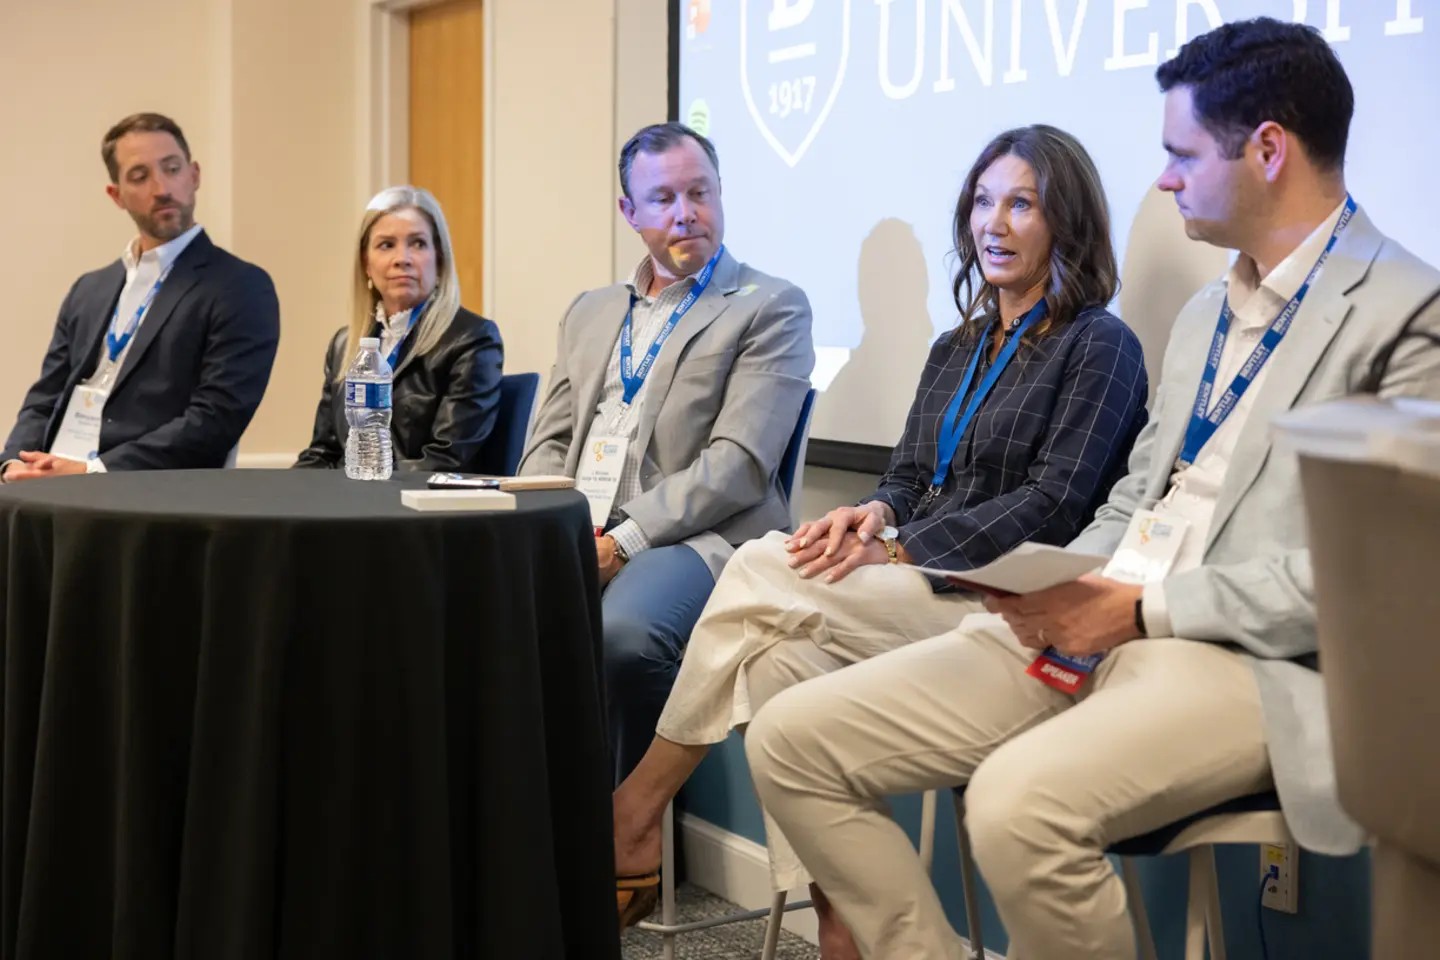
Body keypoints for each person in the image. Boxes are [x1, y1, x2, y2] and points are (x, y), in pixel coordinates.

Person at [743, 18, 1440, 960]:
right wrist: (1053, 583)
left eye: (1179, 153)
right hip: (1101, 615)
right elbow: (1137, 500)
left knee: (1014, 806)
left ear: (1268, 149)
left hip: (1244, 659)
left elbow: (1369, 592)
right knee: (790, 740)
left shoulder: (1408, 311)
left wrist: (1143, 611)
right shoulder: (1205, 312)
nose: (1161, 178)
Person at [612, 124, 1150, 939]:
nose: (993, 224)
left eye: (1022, 205)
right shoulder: (957, 344)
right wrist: (873, 514)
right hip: (908, 592)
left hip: (997, 607)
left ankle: (636, 804)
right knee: (777, 658)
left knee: (760, 563)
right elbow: (905, 474)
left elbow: (1054, 504)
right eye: (982, 202)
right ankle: (844, 922)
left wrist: (900, 546)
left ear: (1064, 222)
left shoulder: (1099, 344)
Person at [518, 122, 815, 788]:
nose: (686, 213)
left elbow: (738, 464)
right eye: (662, 199)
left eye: (699, 192)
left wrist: (621, 541)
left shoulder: (769, 305)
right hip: (584, 526)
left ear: (719, 193)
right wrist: (543, 528)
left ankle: (633, 840)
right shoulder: (590, 311)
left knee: (622, 635)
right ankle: (531, 830)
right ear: (629, 212)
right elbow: (550, 441)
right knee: (483, 610)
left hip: (697, 537)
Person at [1, 113, 279, 480]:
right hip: (50, 481)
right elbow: (45, 396)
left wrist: (92, 471)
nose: (162, 187)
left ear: (194, 176)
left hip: (140, 490)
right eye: (140, 176)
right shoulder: (89, 289)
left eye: (172, 168)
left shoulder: (239, 286)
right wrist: (13, 463)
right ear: (116, 195)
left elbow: (216, 418)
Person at [294, 186, 502, 471]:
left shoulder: (471, 339)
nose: (402, 258)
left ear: (439, 259)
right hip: (350, 501)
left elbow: (445, 459)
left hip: (419, 507)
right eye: (386, 245)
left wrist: (361, 486)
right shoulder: (344, 344)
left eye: (418, 243)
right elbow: (322, 452)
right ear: (366, 263)